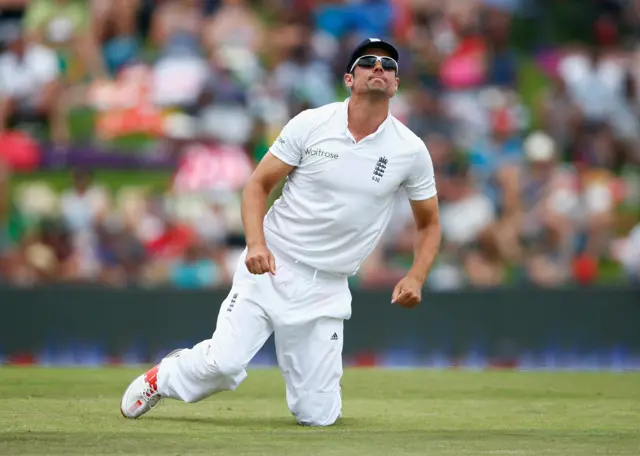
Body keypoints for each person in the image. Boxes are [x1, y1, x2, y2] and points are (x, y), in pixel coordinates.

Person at [120, 38, 442, 427]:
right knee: (223, 365)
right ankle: (163, 377)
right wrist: (255, 244)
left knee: (318, 416)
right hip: (272, 264)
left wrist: (416, 275)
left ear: (396, 83)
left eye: (388, 65)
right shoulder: (311, 124)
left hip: (328, 286)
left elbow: (429, 223)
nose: (379, 68)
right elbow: (257, 185)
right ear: (348, 78)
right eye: (368, 62)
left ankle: (314, 396)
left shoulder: (410, 149)